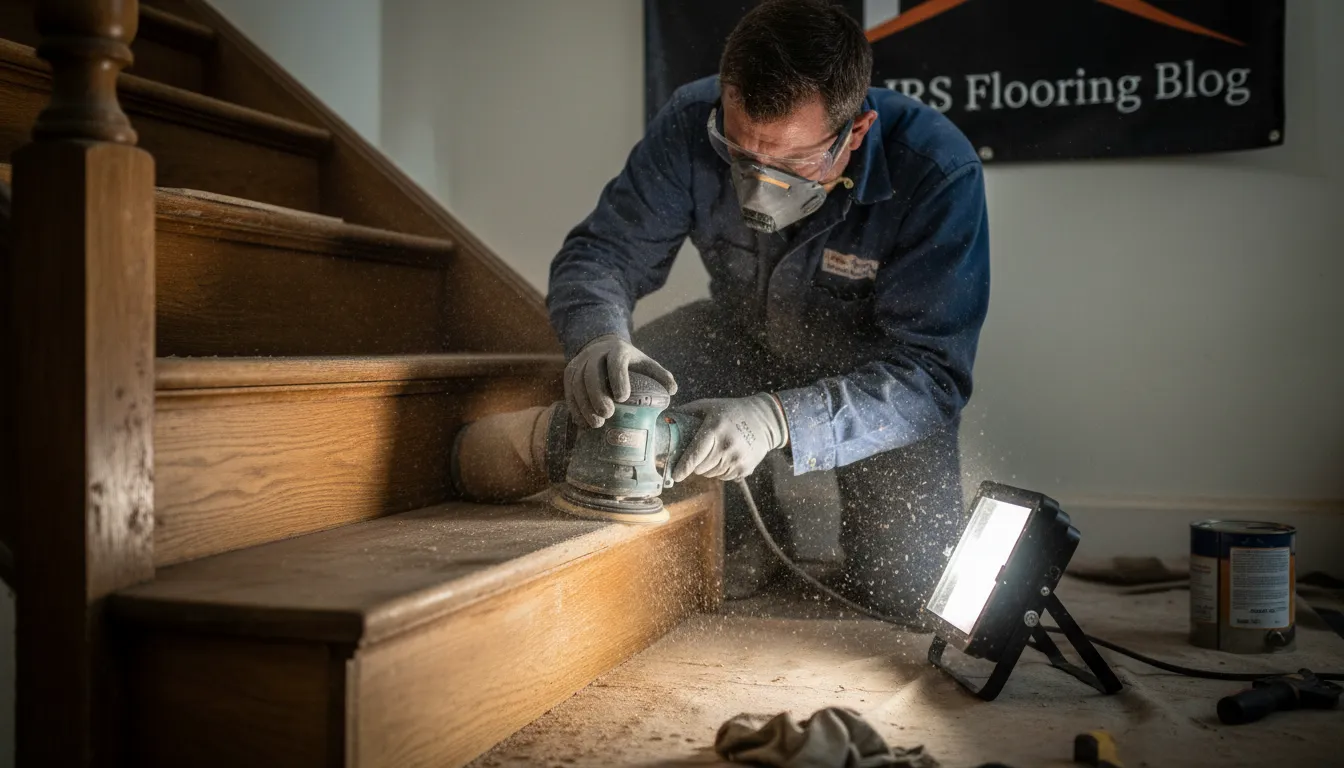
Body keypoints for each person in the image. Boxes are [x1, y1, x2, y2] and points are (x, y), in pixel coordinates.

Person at [545, 0, 990, 620]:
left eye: (789, 163)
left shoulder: (937, 171)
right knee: (639, 384)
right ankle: (748, 536)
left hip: (875, 382)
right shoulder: (690, 120)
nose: (757, 187)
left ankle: (868, 551)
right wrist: (597, 336)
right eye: (739, 153)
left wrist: (780, 421)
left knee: (909, 590)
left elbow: (933, 375)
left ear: (855, 131)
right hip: (742, 338)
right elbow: (603, 254)